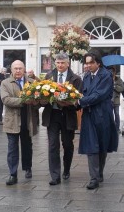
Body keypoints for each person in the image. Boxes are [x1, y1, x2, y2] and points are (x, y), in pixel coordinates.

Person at [77, 53, 118, 190]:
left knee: (102, 145)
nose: (87, 65)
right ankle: (93, 178)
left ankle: (99, 173)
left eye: (90, 63)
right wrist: (74, 100)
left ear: (98, 63)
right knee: (91, 146)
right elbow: (83, 93)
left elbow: (99, 95)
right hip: (89, 115)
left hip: (102, 115)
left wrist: (81, 101)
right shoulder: (87, 76)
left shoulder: (106, 75)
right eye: (86, 63)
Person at [42, 53, 82, 185]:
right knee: (53, 145)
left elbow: (78, 100)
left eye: (62, 63)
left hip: (67, 115)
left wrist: (70, 103)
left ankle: (66, 169)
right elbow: (44, 96)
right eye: (58, 63)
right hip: (52, 115)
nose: (59, 65)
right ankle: (55, 175)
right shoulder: (48, 76)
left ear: (67, 64)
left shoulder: (75, 79)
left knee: (67, 144)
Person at [0, 60, 39, 185]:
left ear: (24, 69)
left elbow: (38, 100)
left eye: (20, 68)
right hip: (12, 121)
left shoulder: (33, 83)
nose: (18, 71)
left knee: (27, 146)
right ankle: (13, 174)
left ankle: (28, 168)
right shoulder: (5, 83)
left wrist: (36, 103)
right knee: (12, 148)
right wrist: (24, 101)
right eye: (15, 68)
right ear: (11, 70)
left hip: (28, 120)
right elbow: (6, 99)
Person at [108, 67, 124, 132]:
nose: (111, 72)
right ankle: (111, 128)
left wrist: (115, 86)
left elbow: (122, 89)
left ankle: (117, 128)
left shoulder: (118, 80)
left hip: (116, 100)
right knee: (110, 115)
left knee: (116, 114)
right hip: (108, 100)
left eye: (112, 71)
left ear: (114, 72)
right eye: (110, 71)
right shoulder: (107, 79)